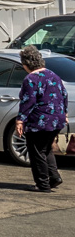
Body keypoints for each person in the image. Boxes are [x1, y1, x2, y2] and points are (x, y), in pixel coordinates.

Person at [16, 45, 68, 192]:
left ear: (26, 64)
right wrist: (65, 114)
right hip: (57, 119)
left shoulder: (30, 79)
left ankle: (42, 184)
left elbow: (28, 101)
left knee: (36, 151)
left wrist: (20, 120)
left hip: (39, 121)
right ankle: (54, 177)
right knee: (46, 149)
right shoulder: (53, 75)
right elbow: (64, 95)